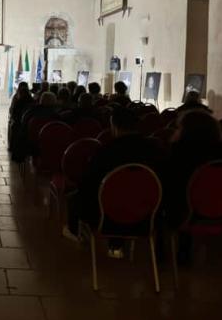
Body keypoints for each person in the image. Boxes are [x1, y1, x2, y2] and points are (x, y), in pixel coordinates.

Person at [68, 108, 165, 255]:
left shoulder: (105, 152)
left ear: (114, 126)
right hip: (147, 217)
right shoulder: (155, 150)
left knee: (77, 197)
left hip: (106, 218)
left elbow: (86, 185)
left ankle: (79, 235)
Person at [165, 110, 222, 264]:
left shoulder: (178, 153)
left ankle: (167, 257)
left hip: (186, 215)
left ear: (185, 130)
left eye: (178, 128)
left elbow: (171, 186)